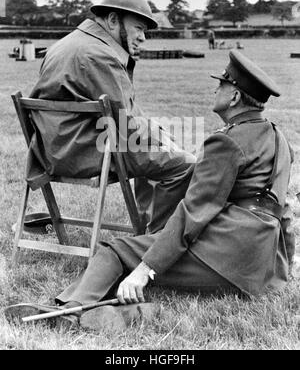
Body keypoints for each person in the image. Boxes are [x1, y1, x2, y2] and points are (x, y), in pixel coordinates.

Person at [53, 50, 294, 325]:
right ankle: (107, 310)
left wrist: (146, 267)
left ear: (235, 97)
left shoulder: (226, 142)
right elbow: (282, 211)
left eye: (221, 85)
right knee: (142, 257)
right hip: (262, 267)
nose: (216, 90)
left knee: (114, 249)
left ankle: (71, 310)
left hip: (228, 259)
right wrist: (283, 269)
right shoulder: (278, 137)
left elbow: (194, 211)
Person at [27, 0, 196, 234]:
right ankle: (157, 238)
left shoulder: (65, 44)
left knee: (157, 148)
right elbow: (127, 127)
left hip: (52, 150)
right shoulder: (100, 55)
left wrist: (156, 135)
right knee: (184, 164)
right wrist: (161, 135)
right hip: (86, 152)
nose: (143, 38)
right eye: (138, 28)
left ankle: (146, 227)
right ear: (113, 20)